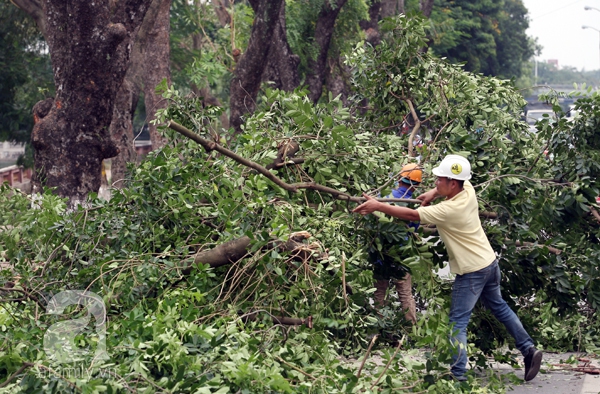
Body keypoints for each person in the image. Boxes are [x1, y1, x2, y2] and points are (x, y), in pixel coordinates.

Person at [353, 154, 542, 382]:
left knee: (457, 323)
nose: (435, 182)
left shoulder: (448, 211)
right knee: (500, 307)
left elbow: (411, 214)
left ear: (452, 183)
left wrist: (378, 206)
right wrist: (433, 193)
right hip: (490, 263)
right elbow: (459, 178)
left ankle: (458, 376)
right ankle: (529, 349)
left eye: (439, 180)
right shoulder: (467, 191)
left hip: (472, 271)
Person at [372, 163, 422, 324]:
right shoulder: (414, 205)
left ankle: (380, 328)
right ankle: (411, 328)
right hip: (402, 255)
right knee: (405, 293)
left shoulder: (384, 196)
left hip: (381, 252)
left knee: (379, 291)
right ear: (416, 185)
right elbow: (415, 227)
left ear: (399, 178)